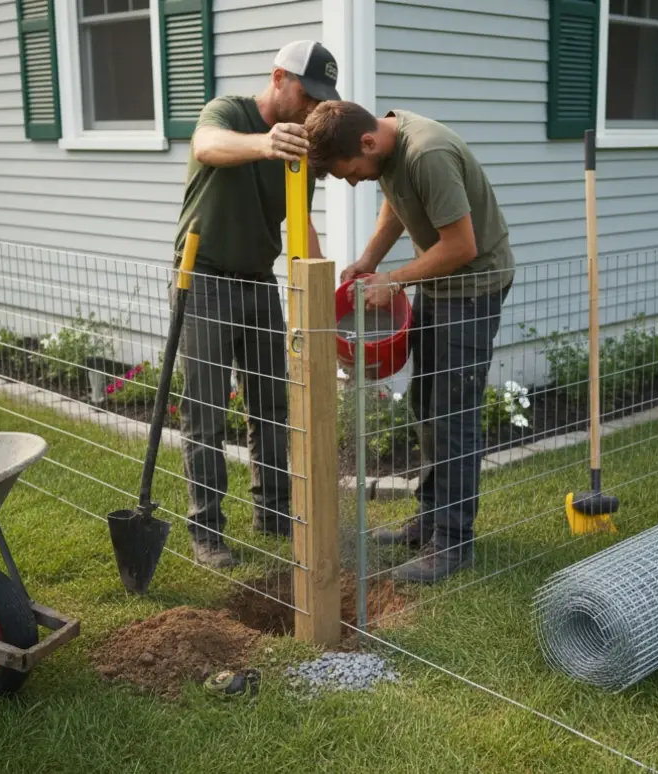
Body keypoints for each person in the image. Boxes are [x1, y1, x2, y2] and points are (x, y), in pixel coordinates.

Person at [304, 101, 515, 583]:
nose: (353, 181)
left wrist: (395, 279)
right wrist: (367, 260)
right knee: (426, 403)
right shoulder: (388, 147)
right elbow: (398, 206)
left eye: (351, 173)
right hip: (441, 284)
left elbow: (463, 247)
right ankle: (429, 520)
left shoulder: (428, 153)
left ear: (367, 144)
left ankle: (454, 544)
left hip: (473, 287)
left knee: (454, 415)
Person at [174, 40, 340, 569]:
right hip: (203, 279)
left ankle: (274, 513)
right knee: (206, 411)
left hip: (259, 282)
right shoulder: (229, 113)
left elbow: (300, 222)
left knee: (271, 405)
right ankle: (207, 531)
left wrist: (322, 304)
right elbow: (207, 145)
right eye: (307, 94)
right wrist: (265, 144)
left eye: (322, 98)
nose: (313, 107)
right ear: (278, 78)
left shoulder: (302, 149)